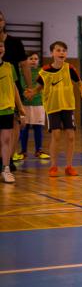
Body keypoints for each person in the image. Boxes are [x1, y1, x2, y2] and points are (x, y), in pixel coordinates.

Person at [23, 40, 82, 177]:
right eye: (58, 50)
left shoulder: (69, 68)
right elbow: (39, 87)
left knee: (71, 136)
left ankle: (69, 166)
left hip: (68, 106)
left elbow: (79, 83)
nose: (61, 52)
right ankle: (53, 166)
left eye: (64, 50)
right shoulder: (44, 71)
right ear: (52, 53)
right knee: (56, 135)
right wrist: (32, 92)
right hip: (53, 107)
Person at [0, 40, 28, 183]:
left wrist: (20, 107)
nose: (0, 48)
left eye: (1, 46)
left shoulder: (9, 67)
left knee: (6, 140)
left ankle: (6, 170)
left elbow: (14, 87)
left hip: (6, 109)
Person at [15, 51, 47, 162]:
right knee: (24, 128)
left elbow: (43, 86)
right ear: (26, 60)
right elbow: (19, 86)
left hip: (39, 104)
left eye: (36, 59)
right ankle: (23, 151)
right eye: (31, 58)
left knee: (38, 128)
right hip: (24, 104)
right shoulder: (20, 72)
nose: (33, 61)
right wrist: (26, 94)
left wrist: (35, 94)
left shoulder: (42, 72)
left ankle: (39, 150)